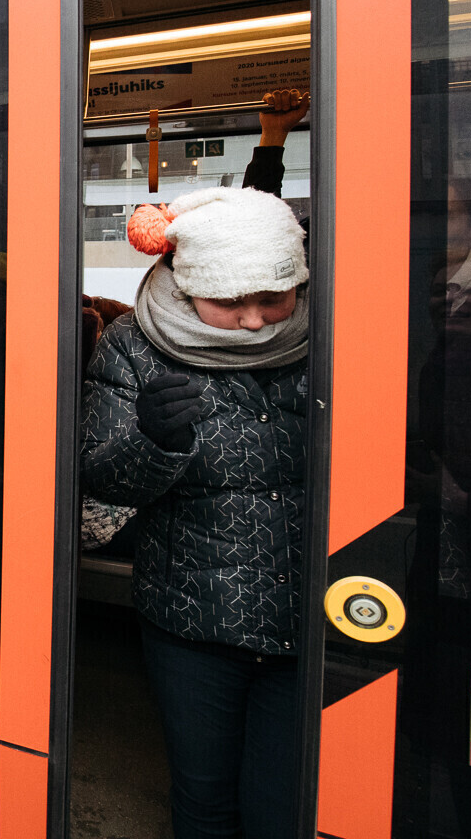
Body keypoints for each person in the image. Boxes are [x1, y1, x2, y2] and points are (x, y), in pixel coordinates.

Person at [81, 183, 310, 839]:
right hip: (192, 615)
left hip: (307, 617)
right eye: (231, 303)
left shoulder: (339, 334)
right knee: (203, 797)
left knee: (283, 805)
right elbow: (103, 477)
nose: (255, 321)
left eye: (274, 298)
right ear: (187, 289)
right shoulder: (134, 344)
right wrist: (154, 441)